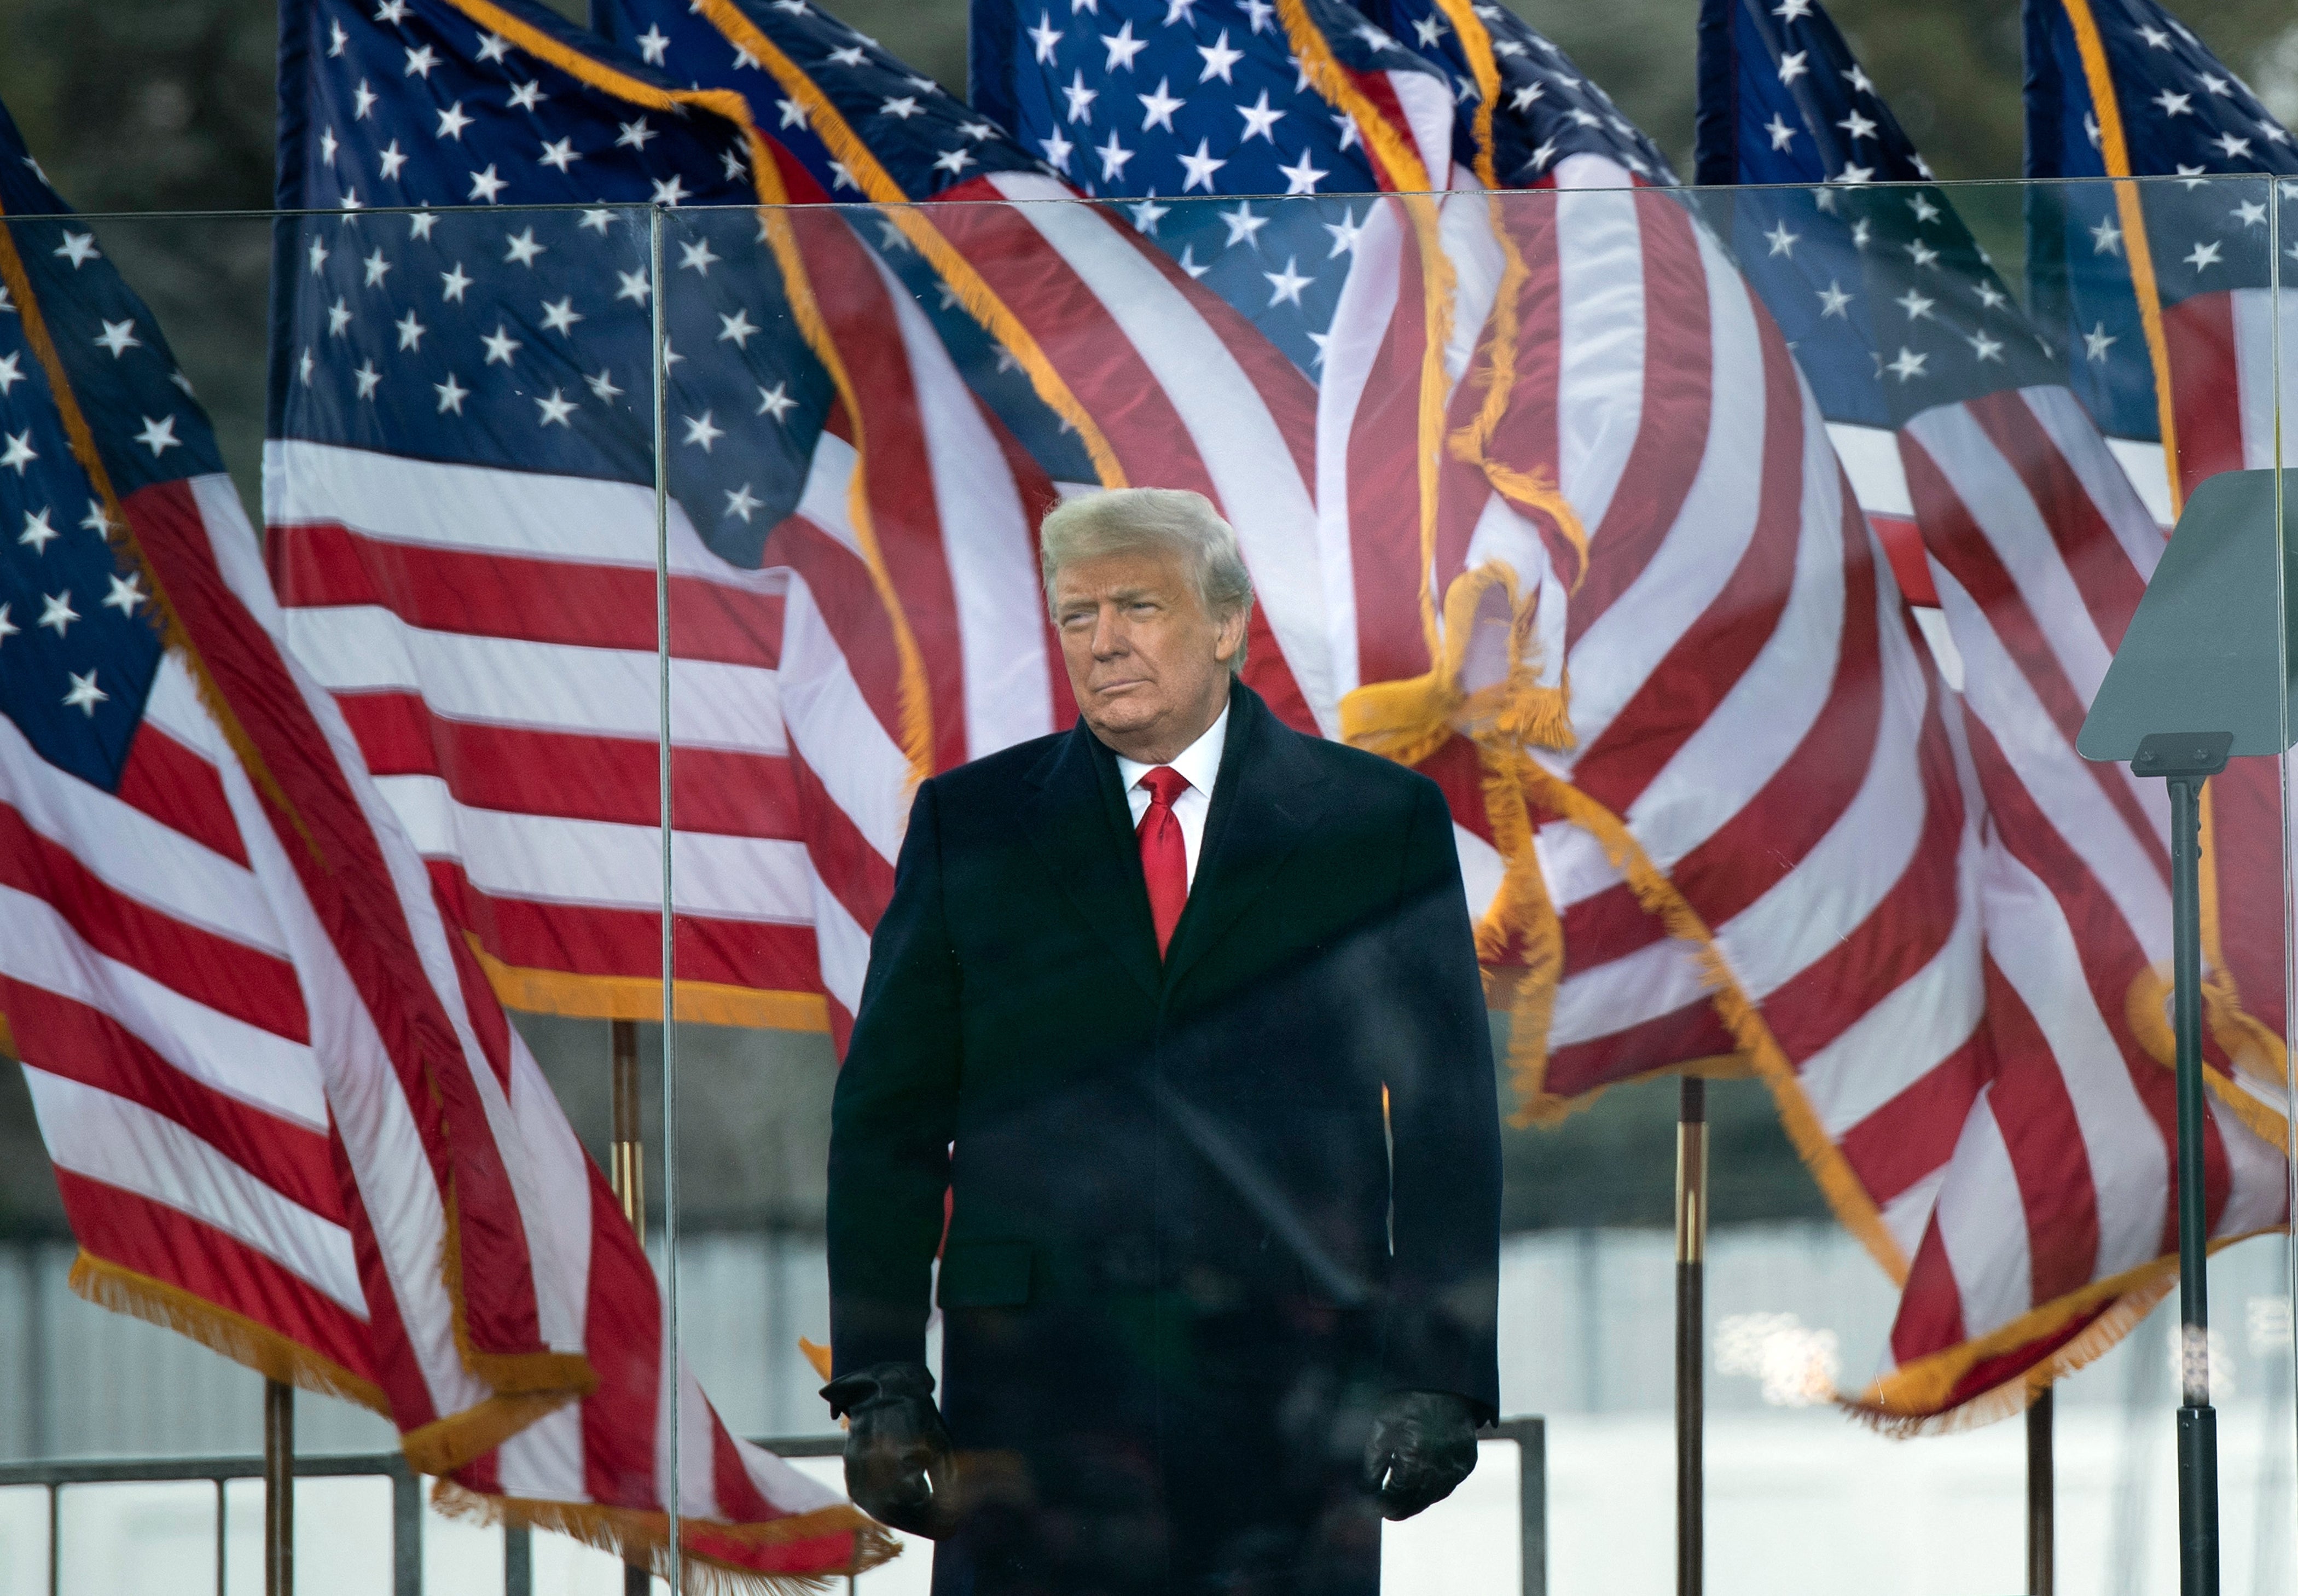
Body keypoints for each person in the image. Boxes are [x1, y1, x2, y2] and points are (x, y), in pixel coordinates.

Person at [823, 487, 1502, 1594]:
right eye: (1078, 614)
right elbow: (888, 1121)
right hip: (1033, 1404)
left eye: (1138, 605)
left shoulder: (1376, 827)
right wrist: (881, 1377)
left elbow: (1448, 1126)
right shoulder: (971, 826)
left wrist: (1439, 1376)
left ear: (1227, 625)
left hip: (1288, 1394)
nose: (1103, 641)